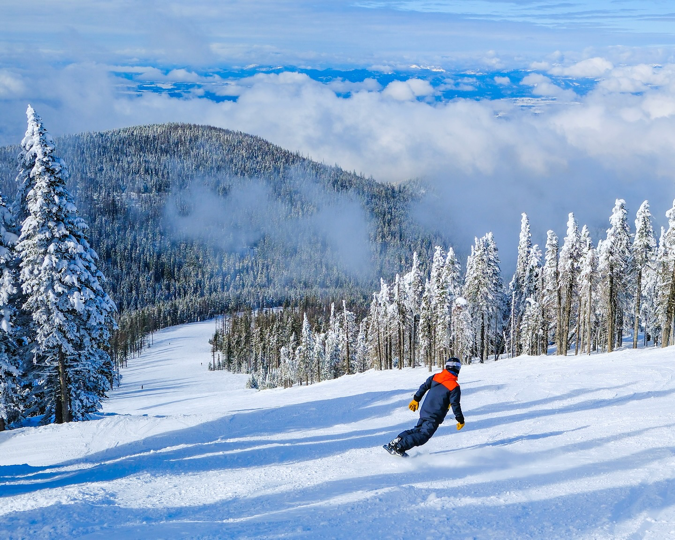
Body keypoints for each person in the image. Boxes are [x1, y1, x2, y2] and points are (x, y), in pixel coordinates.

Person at [384, 357, 465, 457]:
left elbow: (424, 386)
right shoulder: (454, 386)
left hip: (425, 411)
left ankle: (396, 441)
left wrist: (416, 399)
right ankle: (399, 447)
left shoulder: (436, 376)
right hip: (434, 415)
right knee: (423, 436)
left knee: (417, 430)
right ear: (458, 369)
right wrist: (460, 419)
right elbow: (455, 404)